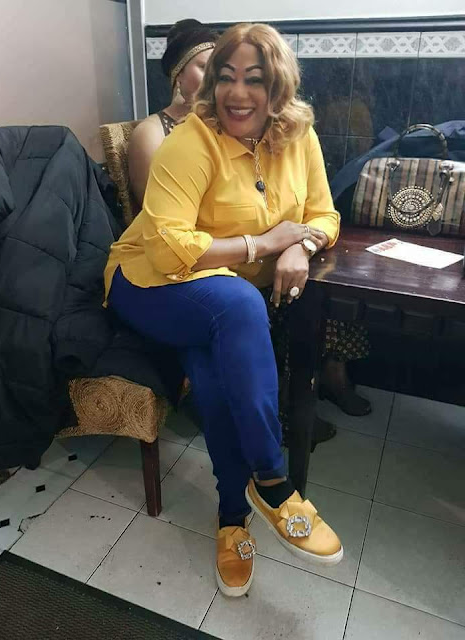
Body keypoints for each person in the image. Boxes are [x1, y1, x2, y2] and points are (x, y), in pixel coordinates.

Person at [105, 23, 343, 598]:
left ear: (278, 86)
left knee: (213, 376)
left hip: (219, 298)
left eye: (254, 79)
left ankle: (233, 516)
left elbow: (324, 215)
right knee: (237, 302)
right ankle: (273, 479)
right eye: (226, 77)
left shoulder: (300, 136)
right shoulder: (191, 140)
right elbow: (168, 248)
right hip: (150, 280)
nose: (238, 92)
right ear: (211, 83)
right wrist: (263, 244)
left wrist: (300, 245)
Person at [128, 20, 219, 205]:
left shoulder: (229, 125)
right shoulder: (151, 133)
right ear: (179, 74)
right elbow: (157, 210)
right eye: (204, 68)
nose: (214, 78)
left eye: (219, 70)